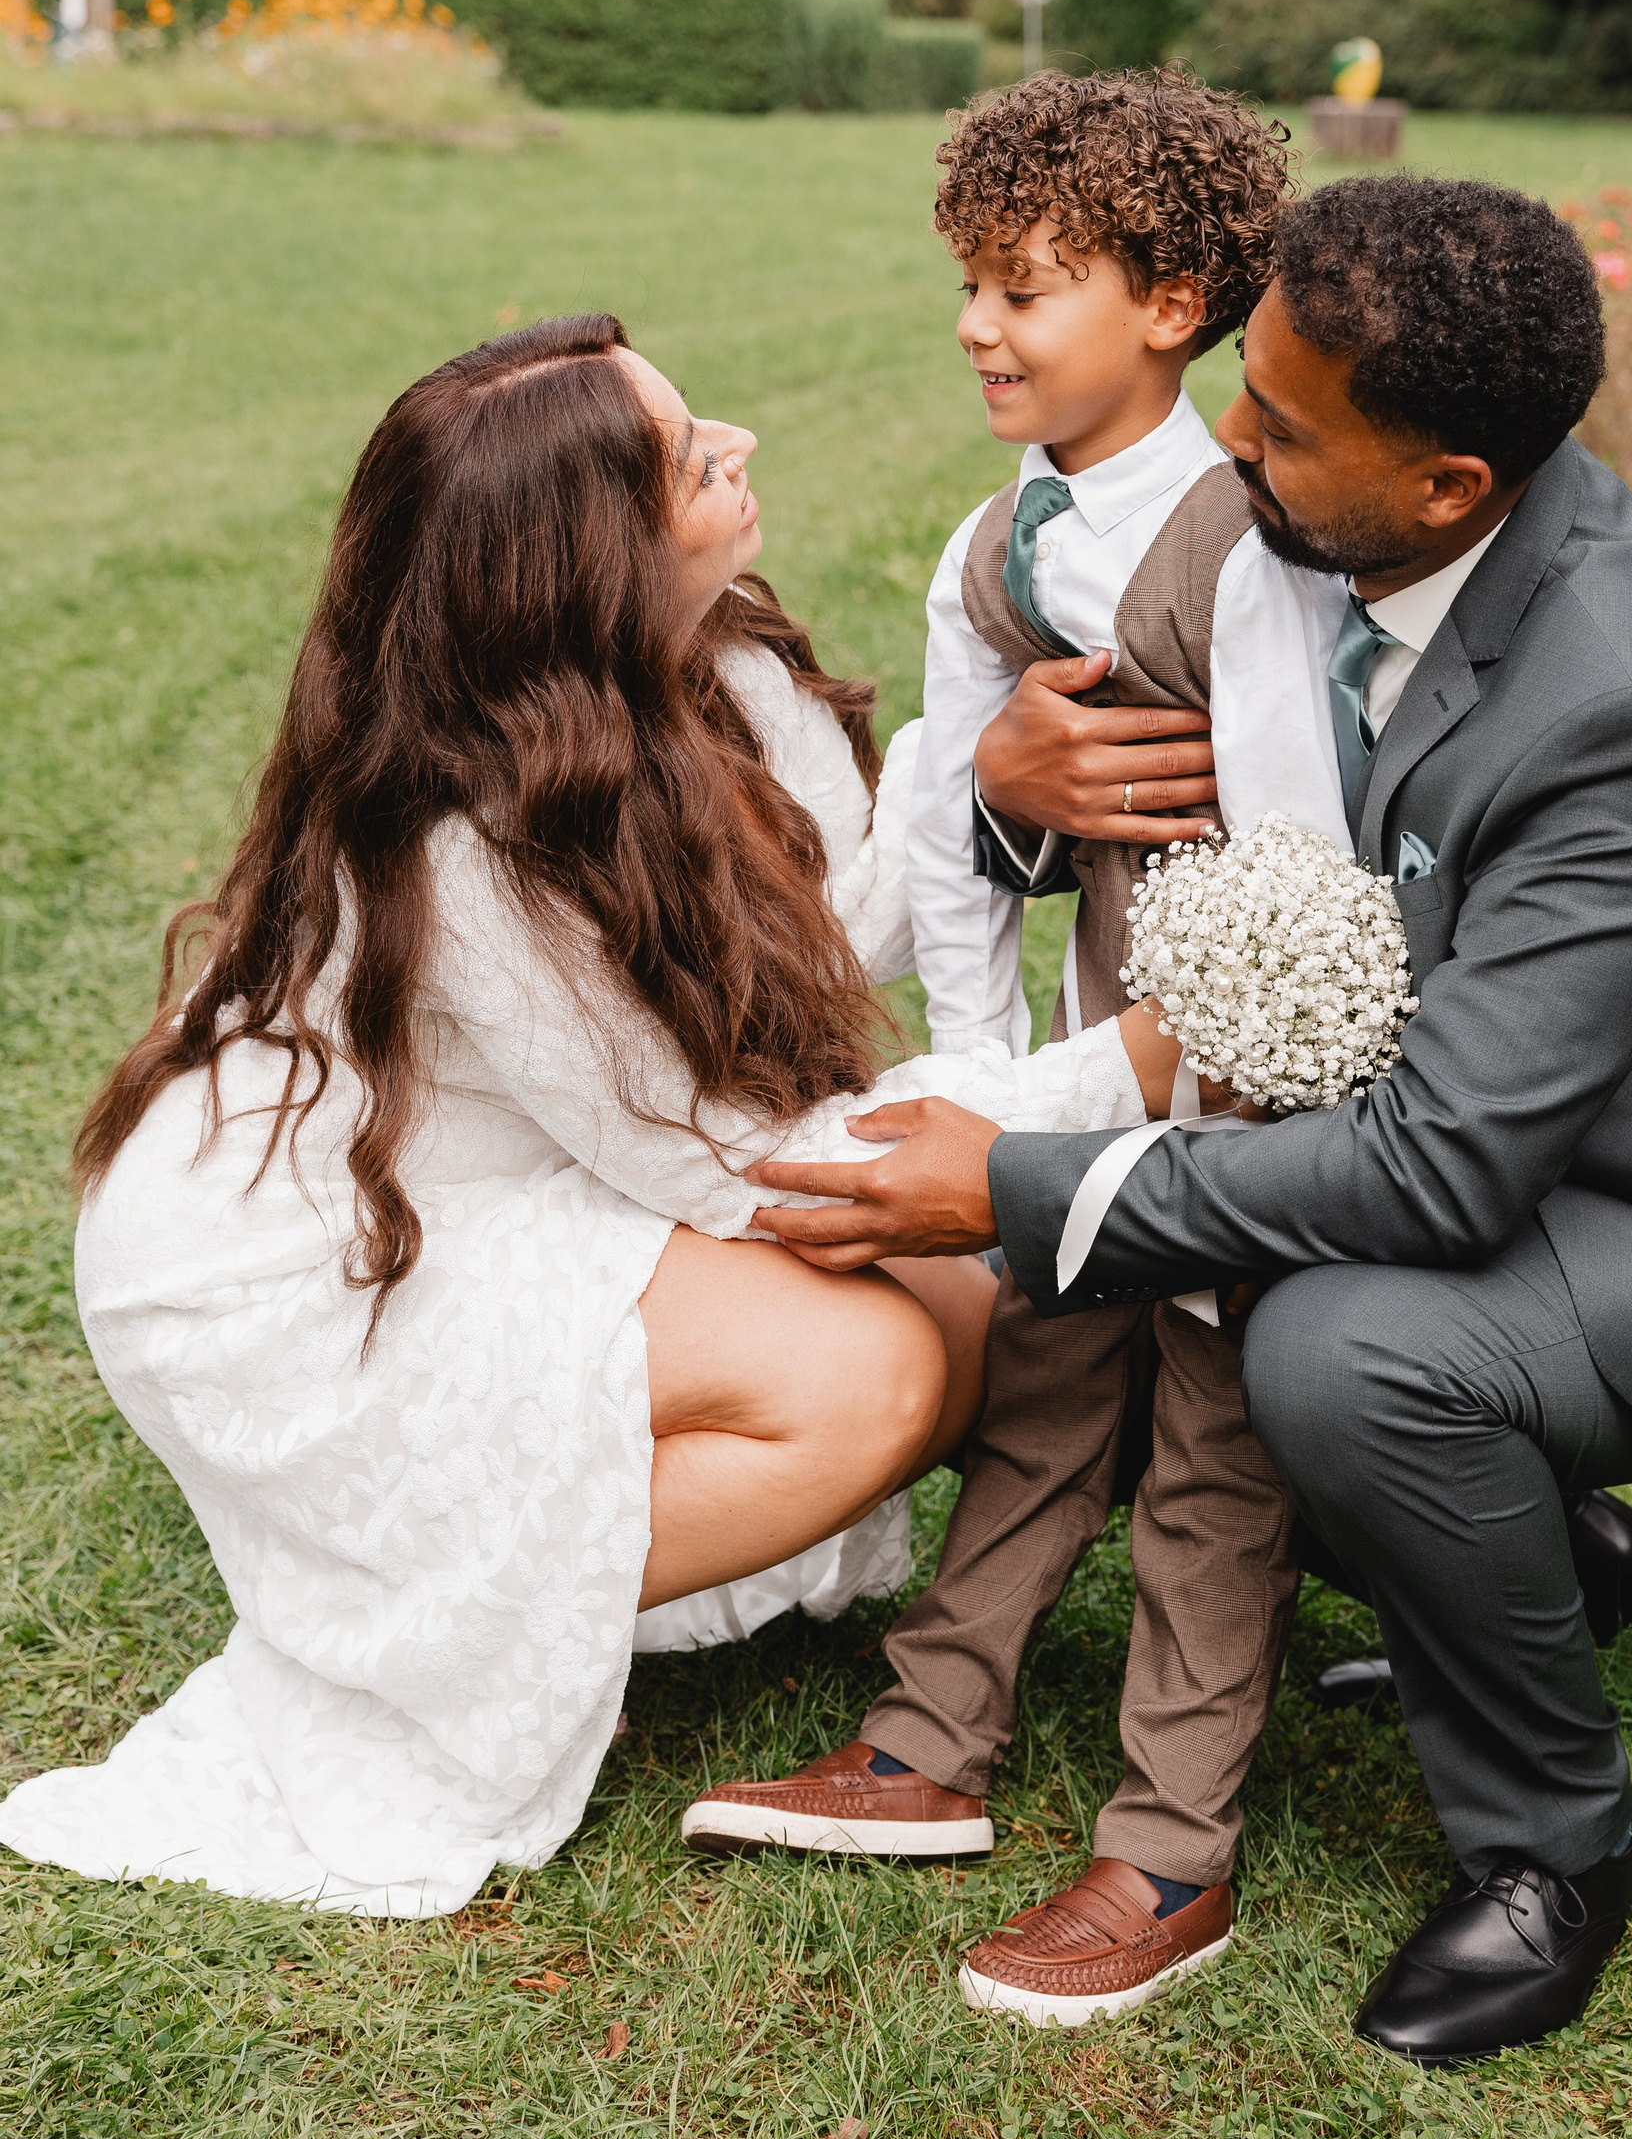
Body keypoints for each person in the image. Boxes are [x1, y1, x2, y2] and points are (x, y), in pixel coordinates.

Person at [742, 176, 1632, 2067]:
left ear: (1446, 486)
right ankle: (1547, 1554)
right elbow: (1160, 761)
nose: (1228, 444)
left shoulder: (1617, 706)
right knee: (1200, 1321)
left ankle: (1558, 1854)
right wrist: (1011, 786)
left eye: (1274, 425)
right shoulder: (1343, 532)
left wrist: (1018, 1187)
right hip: (1450, 1144)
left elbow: (1443, 1162)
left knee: (1335, 1352)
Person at [0, 316, 1192, 1920]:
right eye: (692, 460)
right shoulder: (462, 837)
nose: (740, 447)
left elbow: (812, 939)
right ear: (586, 562)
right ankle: (454, 1630)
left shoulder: (719, 663)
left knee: (982, 1320)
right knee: (871, 1374)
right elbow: (742, 1170)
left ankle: (539, 1544)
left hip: (551, 1155)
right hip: (296, 1250)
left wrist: (977, 785)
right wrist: (1130, 1066)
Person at [682, 73, 1349, 2029]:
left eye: (1026, 288)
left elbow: (1303, 871)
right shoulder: (991, 548)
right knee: (1050, 1375)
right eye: (968, 282)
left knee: (1212, 1443)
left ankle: (1170, 1850)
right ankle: (928, 1744)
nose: (977, 324)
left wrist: (1106, 1097)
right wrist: (983, 1075)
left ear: (1173, 305)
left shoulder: (1253, 548)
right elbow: (957, 836)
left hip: (1246, 1076)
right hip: (1074, 1069)